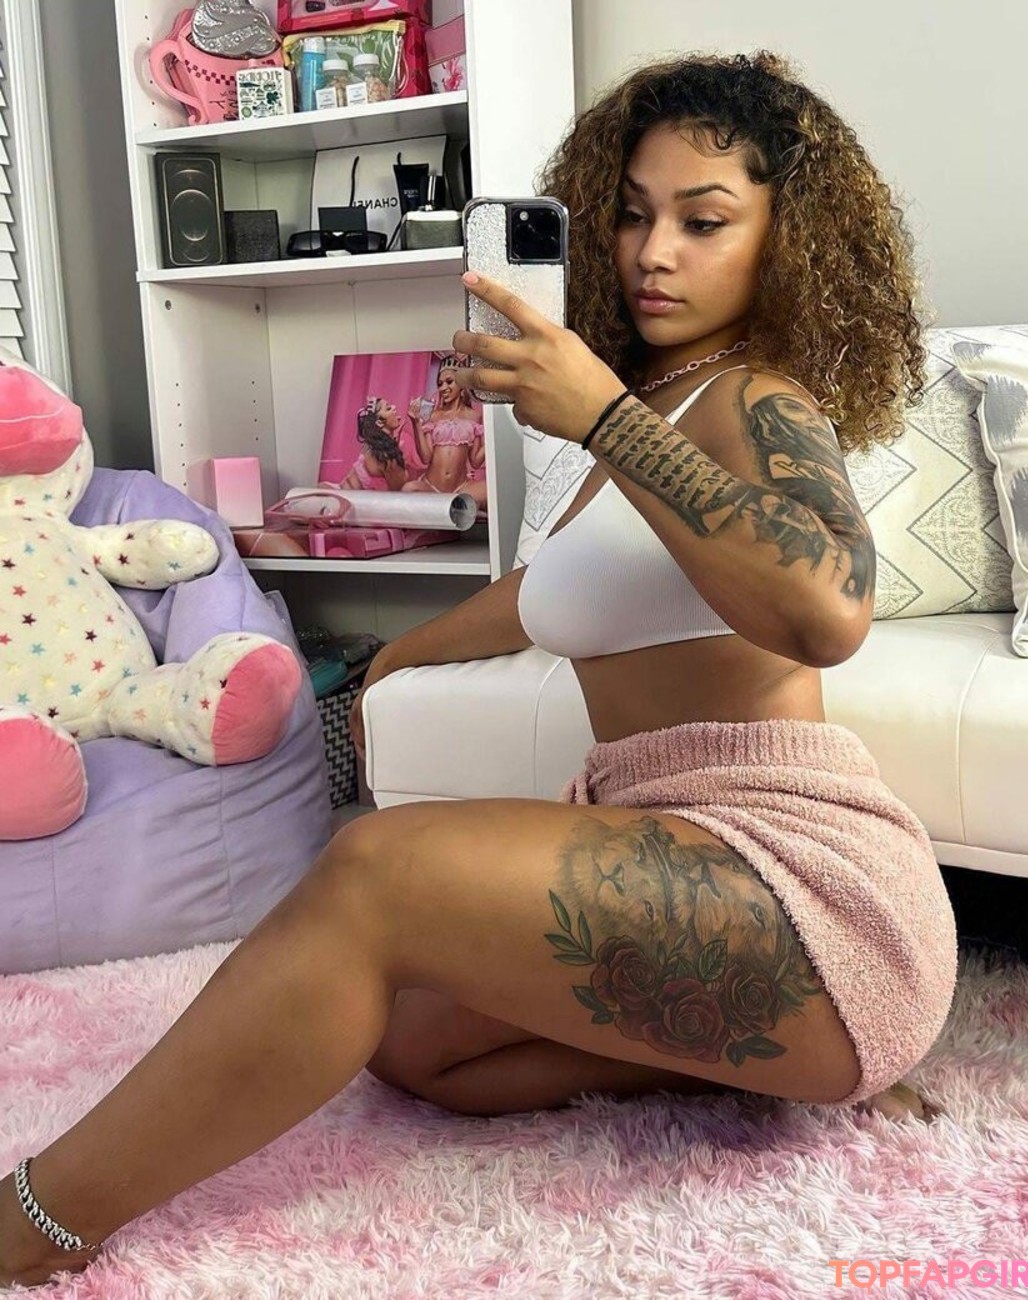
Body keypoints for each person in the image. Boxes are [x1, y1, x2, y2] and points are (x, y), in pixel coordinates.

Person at [0, 50, 957, 1287]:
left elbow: (829, 610)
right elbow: (541, 595)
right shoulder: (663, 410)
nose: (653, 252)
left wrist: (604, 414)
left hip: (801, 884)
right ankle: (754, 1061)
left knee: (375, 873)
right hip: (671, 846)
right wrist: (388, 663)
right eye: (632, 214)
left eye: (704, 220)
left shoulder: (757, 399)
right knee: (410, 1039)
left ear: (787, 241)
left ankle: (41, 1219)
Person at [402, 362, 488, 511]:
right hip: (431, 487)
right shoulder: (433, 416)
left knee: (488, 492)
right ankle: (455, 508)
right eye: (440, 384)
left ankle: (454, 506)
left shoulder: (474, 416)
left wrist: (492, 441)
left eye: (449, 382)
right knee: (408, 489)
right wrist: (416, 424)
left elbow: (475, 461)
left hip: (461, 488)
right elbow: (426, 458)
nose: (443, 388)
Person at [338, 396, 416, 492]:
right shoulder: (386, 456)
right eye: (388, 408)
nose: (394, 407)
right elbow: (398, 489)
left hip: (344, 492)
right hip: (348, 498)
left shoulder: (372, 446)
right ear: (379, 422)